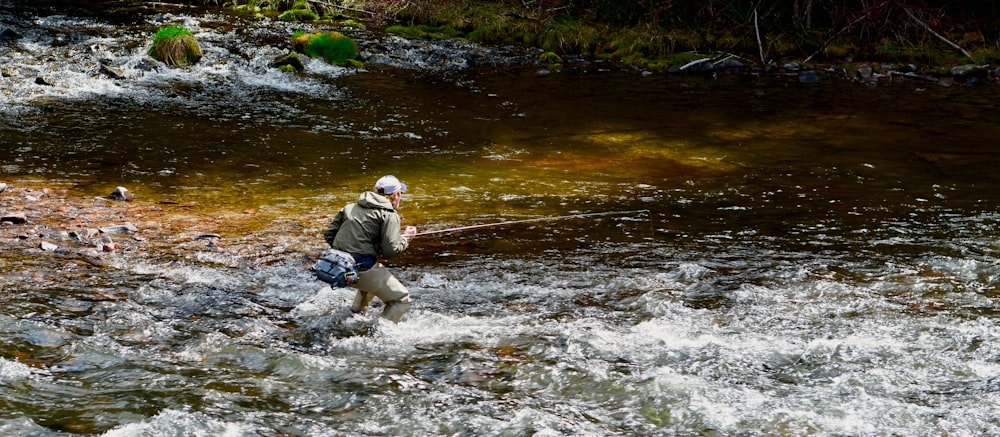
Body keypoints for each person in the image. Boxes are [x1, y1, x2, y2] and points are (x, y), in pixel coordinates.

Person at [324, 175, 417, 323]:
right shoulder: (389, 215)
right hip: (360, 270)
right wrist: (406, 238)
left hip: (335, 266)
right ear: (396, 195)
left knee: (374, 270)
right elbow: (390, 251)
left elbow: (330, 235)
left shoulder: (350, 207)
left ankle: (355, 314)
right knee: (401, 299)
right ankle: (379, 336)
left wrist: (346, 254)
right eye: (400, 194)